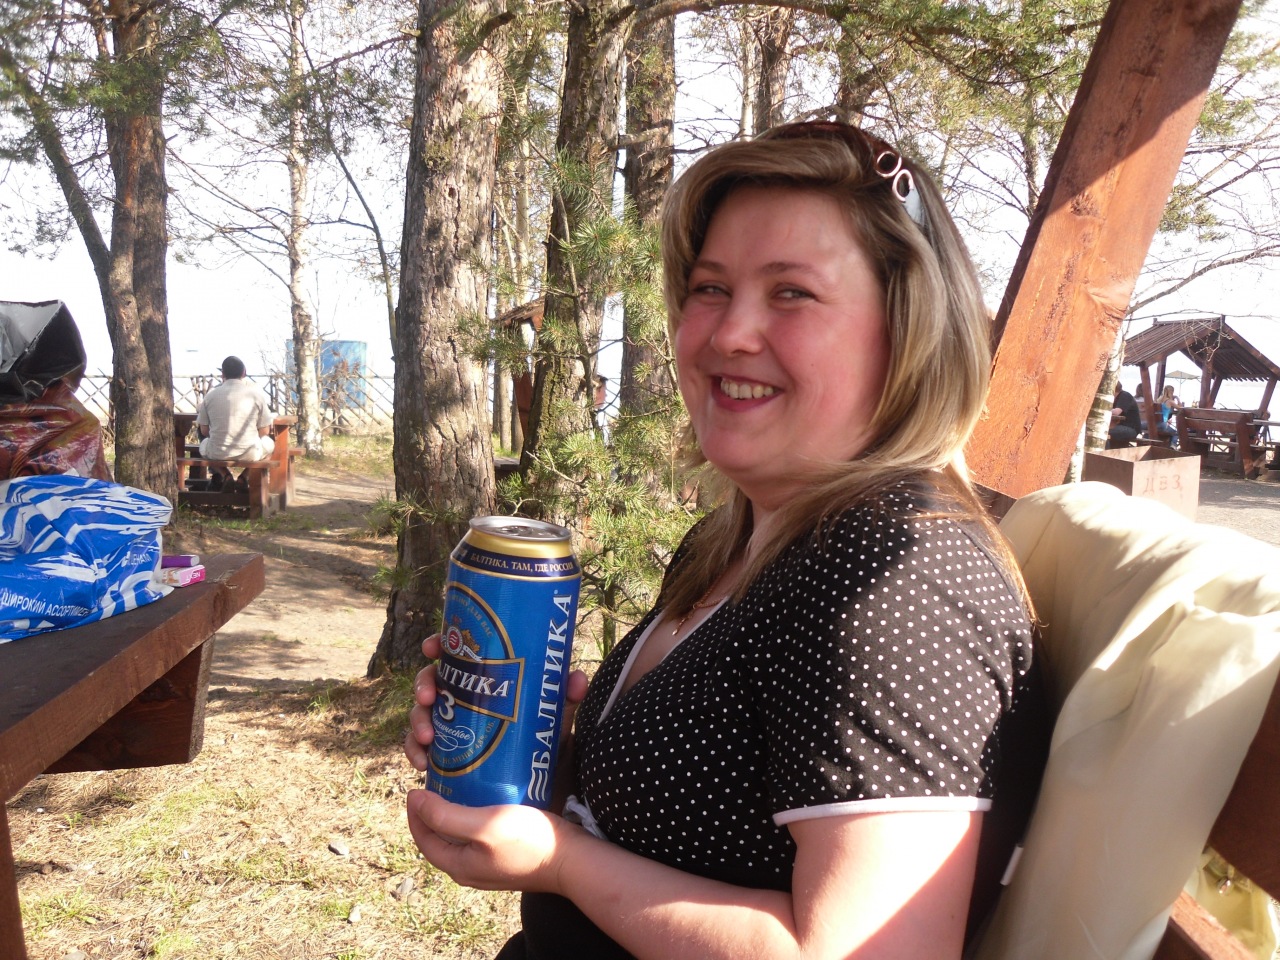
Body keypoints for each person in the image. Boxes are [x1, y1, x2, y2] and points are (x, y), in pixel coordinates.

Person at [403, 121, 1049, 960]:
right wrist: (539, 767)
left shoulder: (899, 576)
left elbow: (868, 954)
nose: (729, 333)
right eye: (710, 288)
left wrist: (561, 862)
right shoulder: (739, 537)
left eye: (792, 293)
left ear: (907, 329)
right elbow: (706, 821)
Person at [195, 356, 275, 489]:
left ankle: (225, 474)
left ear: (223, 374)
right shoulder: (256, 395)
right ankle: (244, 477)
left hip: (217, 452)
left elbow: (204, 431)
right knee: (270, 445)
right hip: (250, 452)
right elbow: (265, 431)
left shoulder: (210, 396)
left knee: (204, 445)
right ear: (244, 373)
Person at [1108, 382, 1142, 448]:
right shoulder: (1117, 398)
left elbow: (1116, 412)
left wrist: (1101, 410)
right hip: (1120, 427)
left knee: (1103, 431)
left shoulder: (1125, 395)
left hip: (1131, 429)